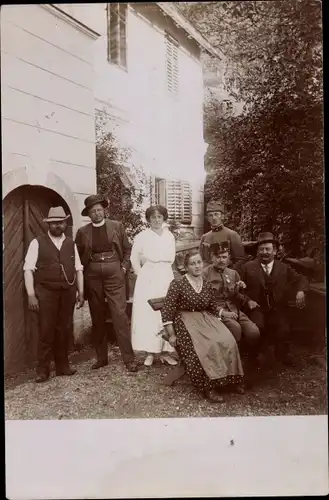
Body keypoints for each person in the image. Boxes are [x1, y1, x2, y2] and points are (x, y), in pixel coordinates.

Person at [161, 249, 244, 403]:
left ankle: (231, 381)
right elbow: (167, 310)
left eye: (199, 262)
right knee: (205, 346)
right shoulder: (178, 283)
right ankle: (208, 387)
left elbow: (212, 306)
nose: (197, 266)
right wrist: (171, 334)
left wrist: (224, 314)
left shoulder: (205, 283)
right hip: (185, 320)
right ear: (186, 267)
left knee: (228, 340)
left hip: (206, 318)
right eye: (193, 264)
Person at [75, 194, 138, 372]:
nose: (96, 214)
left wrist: (124, 268)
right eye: (93, 211)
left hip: (114, 273)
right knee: (97, 316)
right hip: (93, 276)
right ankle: (101, 358)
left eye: (99, 210)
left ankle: (129, 359)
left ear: (104, 210)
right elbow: (79, 257)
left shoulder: (117, 227)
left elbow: (127, 249)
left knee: (119, 315)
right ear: (88, 214)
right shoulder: (82, 232)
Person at [23, 206, 84, 383]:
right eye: (54, 223)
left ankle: (62, 366)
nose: (58, 226)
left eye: (61, 222)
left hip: (67, 292)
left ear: (65, 224)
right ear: (48, 224)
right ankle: (42, 370)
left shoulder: (71, 244)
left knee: (64, 329)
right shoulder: (37, 242)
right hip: (46, 293)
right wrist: (31, 294)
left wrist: (81, 292)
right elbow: (28, 269)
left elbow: (79, 268)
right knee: (46, 330)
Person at [239, 232, 308, 366]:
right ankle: (254, 356)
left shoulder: (283, 268)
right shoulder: (247, 267)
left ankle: (282, 354)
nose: (264, 252)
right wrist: (247, 300)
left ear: (275, 251)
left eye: (268, 249)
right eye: (261, 249)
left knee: (284, 328)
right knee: (256, 328)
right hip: (256, 307)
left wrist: (301, 291)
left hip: (277, 308)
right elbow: (238, 288)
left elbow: (302, 279)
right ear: (257, 251)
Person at [130, 205, 178, 367]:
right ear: (148, 219)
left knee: (165, 311)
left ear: (164, 218)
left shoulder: (169, 236)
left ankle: (164, 352)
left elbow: (171, 259)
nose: (157, 220)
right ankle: (150, 352)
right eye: (153, 217)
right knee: (148, 313)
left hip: (165, 275)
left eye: (159, 217)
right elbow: (134, 259)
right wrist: (142, 275)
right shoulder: (142, 236)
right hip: (148, 277)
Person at [200, 200, 245, 270]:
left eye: (216, 214)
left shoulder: (232, 235)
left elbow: (240, 260)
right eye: (210, 215)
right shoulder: (204, 237)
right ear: (208, 218)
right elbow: (202, 260)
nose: (214, 218)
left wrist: (229, 274)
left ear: (222, 216)